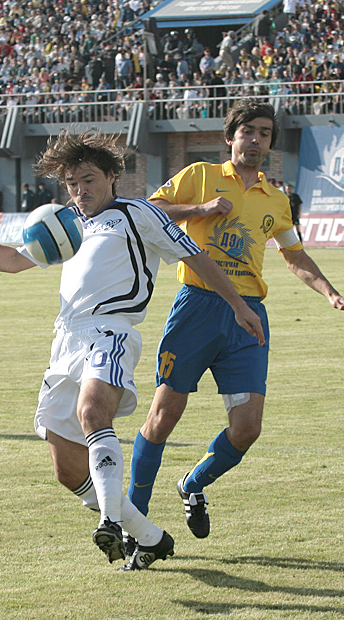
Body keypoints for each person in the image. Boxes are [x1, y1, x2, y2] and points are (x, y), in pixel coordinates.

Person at [0, 130, 264, 571]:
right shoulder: (68, 222)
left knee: (93, 412)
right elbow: (13, 260)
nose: (80, 190)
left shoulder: (137, 213)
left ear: (111, 176)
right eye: (72, 183)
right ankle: (150, 537)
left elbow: (196, 256)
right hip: (65, 341)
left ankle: (112, 521)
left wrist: (238, 304)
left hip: (111, 330)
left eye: (88, 180)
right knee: (68, 470)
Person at [128, 99, 344, 542]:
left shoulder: (277, 200)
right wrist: (199, 210)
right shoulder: (199, 176)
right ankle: (133, 521)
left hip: (248, 318)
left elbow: (294, 256)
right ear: (231, 137)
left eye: (264, 133)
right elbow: (147, 213)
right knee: (163, 417)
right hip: (197, 307)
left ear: (270, 144)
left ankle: (192, 484)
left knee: (247, 429)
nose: (256, 140)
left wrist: (329, 291)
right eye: (248, 132)